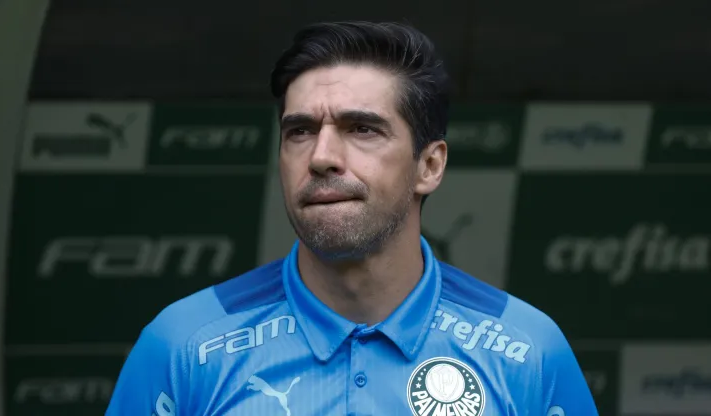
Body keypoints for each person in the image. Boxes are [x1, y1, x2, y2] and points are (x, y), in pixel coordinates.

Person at [106, 21, 599, 415]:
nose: (321, 156)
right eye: (299, 131)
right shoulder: (184, 345)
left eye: (361, 128)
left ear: (429, 165)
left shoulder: (527, 352)